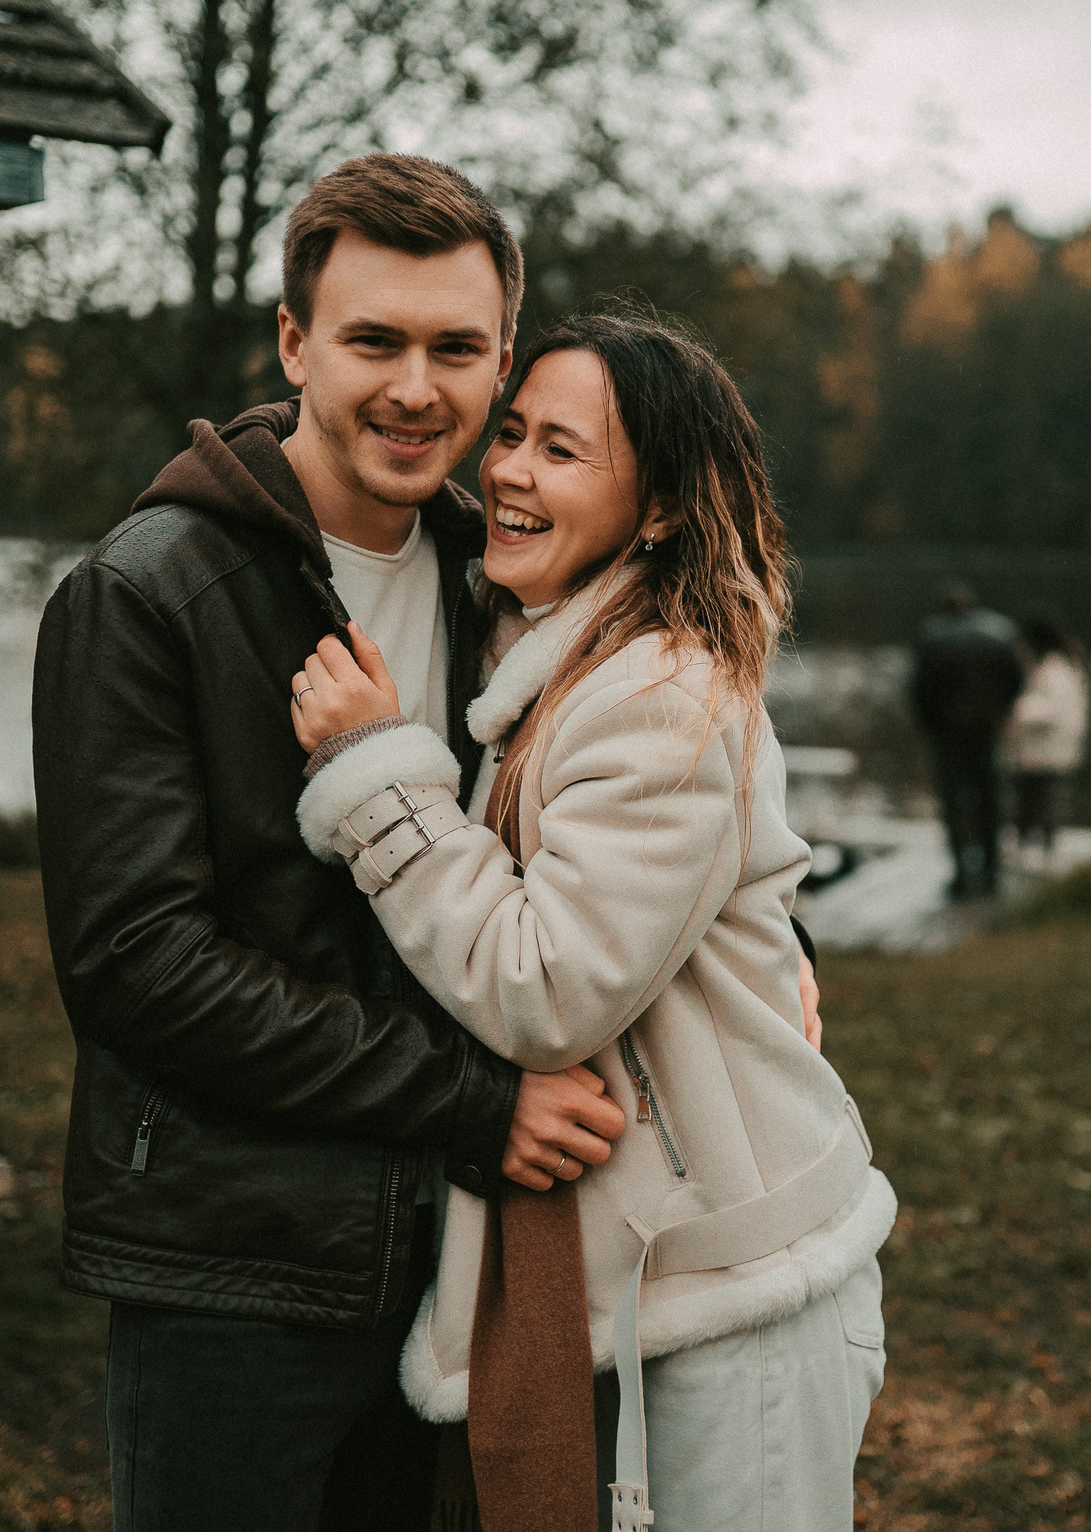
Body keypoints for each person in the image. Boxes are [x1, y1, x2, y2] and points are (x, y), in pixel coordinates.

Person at [33, 154, 637, 1531]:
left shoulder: (519, 579)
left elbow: (642, 793)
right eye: (374, 340)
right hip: (230, 1267)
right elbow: (138, 962)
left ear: (502, 364)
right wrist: (478, 1102)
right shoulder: (144, 593)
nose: (415, 388)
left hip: (468, 1263)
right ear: (295, 342)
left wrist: (779, 934)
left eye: (455, 347)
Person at [288, 310, 893, 1532]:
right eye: (511, 434)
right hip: (660, 1277)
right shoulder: (547, 654)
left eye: (562, 453)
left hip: (741, 1292)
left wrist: (371, 776)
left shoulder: (659, 692)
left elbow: (547, 986)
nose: (507, 471)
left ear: (659, 508)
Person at [909, 583, 1026, 898]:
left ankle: (962, 876)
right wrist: (999, 712)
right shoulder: (999, 632)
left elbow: (920, 690)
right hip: (986, 731)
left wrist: (931, 727)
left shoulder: (932, 636)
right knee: (989, 799)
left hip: (948, 734)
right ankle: (991, 872)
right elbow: (1016, 678)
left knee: (953, 803)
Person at [1007, 615, 1090, 867]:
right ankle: (1040, 850)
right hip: (1052, 746)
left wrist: (1015, 713)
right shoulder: (1064, 664)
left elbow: (1051, 708)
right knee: (1039, 798)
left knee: (1035, 799)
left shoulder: (1054, 669)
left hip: (1046, 748)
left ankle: (1037, 852)